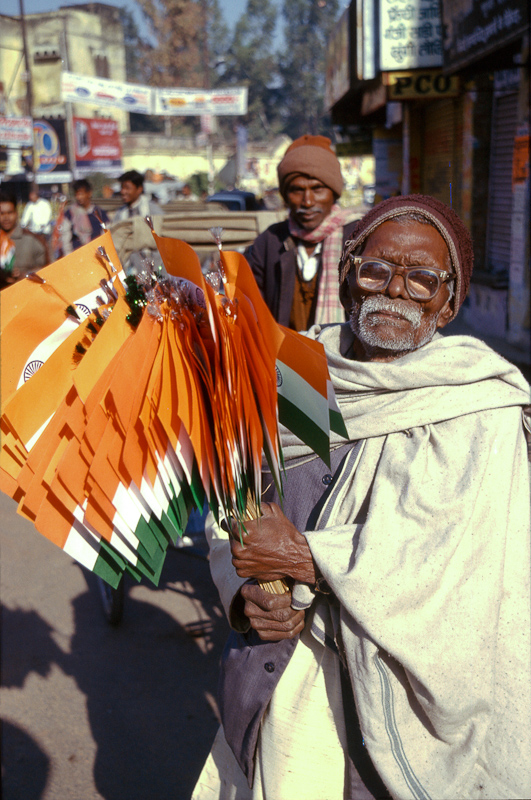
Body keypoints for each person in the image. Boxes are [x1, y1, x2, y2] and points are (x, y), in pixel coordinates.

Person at [193, 195, 531, 800]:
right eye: (377, 269)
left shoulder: (480, 404)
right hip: (287, 683)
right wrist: (246, 593)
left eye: (423, 279)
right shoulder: (297, 372)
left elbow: (461, 565)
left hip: (406, 698)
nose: (396, 290)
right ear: (346, 274)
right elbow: (236, 505)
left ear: (449, 301)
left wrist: (304, 561)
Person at [244, 134, 361, 331]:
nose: (307, 201)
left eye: (317, 189)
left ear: (333, 193)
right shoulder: (270, 242)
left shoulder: (358, 238)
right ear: (285, 196)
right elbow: (250, 306)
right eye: (297, 190)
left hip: (342, 358)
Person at [112, 170, 163, 274]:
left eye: (127, 188)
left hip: (152, 267)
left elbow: (162, 242)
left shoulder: (153, 211)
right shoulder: (120, 214)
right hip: (127, 268)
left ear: (139, 189)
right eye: (122, 188)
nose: (123, 192)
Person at [0, 190, 48, 289]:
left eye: (10, 213)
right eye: (1, 213)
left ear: (16, 213)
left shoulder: (33, 240)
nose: (6, 217)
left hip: (28, 295)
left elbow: (49, 269)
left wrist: (26, 275)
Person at [60, 179, 110, 254]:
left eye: (81, 194)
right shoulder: (70, 213)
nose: (79, 197)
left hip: (97, 255)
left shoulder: (99, 213)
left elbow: (106, 235)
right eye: (77, 194)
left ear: (89, 193)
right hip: (77, 256)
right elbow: (65, 238)